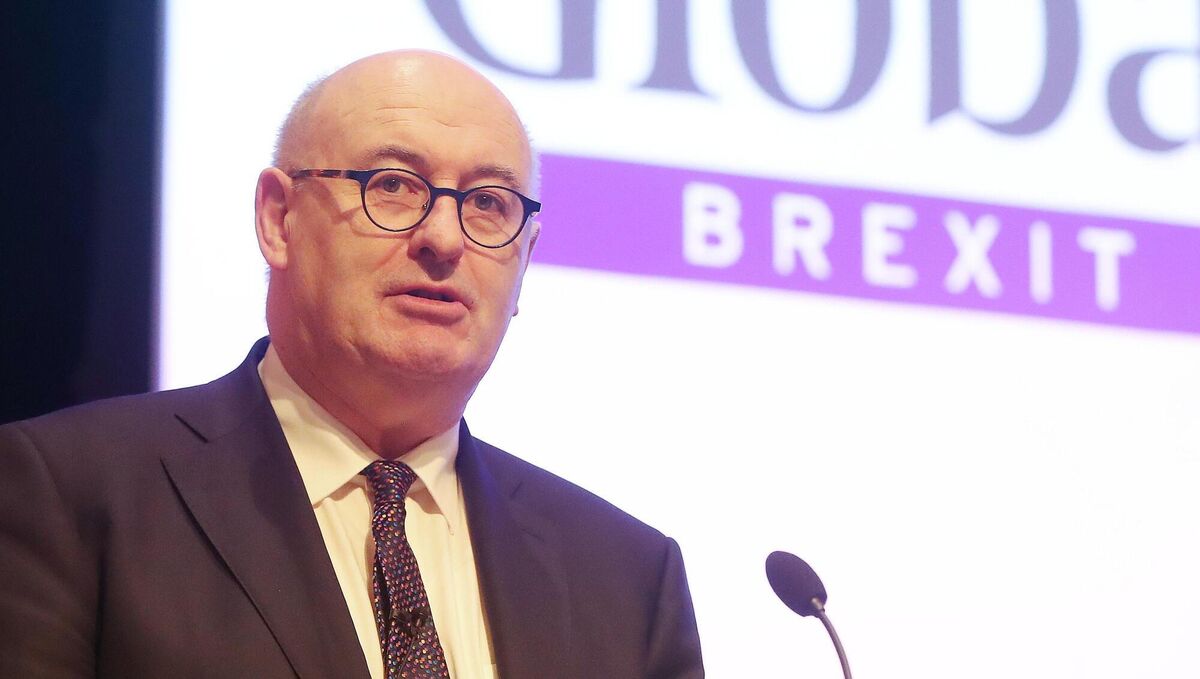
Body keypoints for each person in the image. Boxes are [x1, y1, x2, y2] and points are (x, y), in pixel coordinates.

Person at [0, 50, 704, 678]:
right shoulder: (68, 492)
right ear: (278, 218)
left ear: (526, 261)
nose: (443, 239)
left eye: (489, 204)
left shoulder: (629, 579)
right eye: (393, 185)